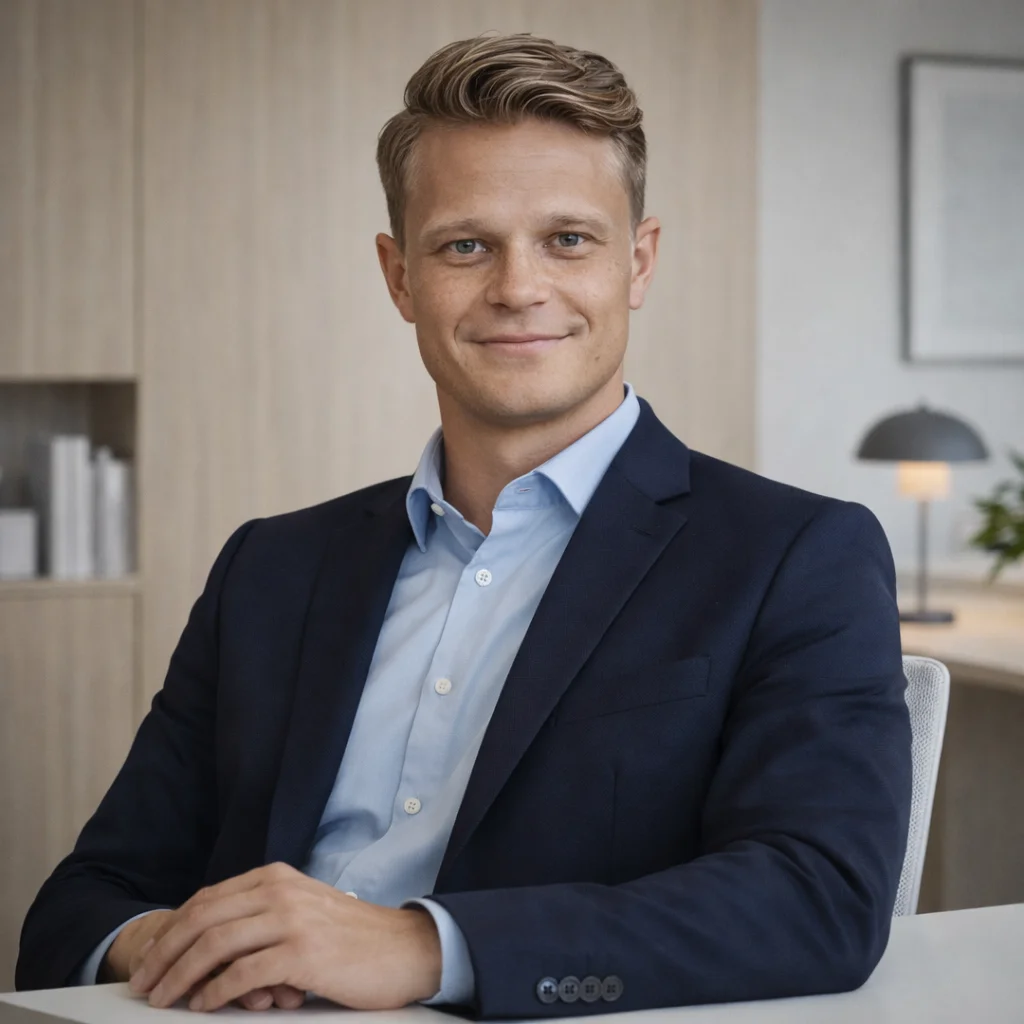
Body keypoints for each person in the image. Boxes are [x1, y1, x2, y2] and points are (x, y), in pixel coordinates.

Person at [17, 34, 911, 1017]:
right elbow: (81, 904)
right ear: (400, 276)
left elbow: (818, 900)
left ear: (639, 261)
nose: (518, 288)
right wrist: (176, 943)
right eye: (465, 245)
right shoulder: (268, 566)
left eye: (568, 239)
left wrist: (423, 946)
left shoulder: (795, 556)